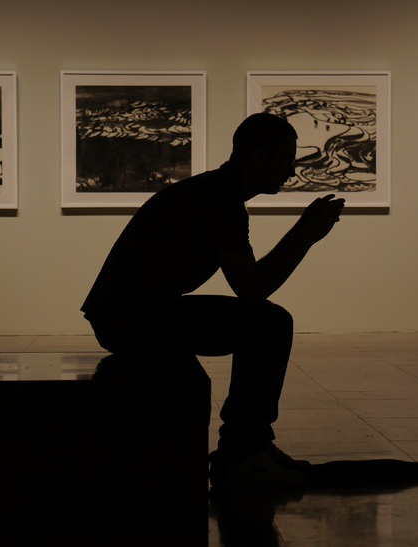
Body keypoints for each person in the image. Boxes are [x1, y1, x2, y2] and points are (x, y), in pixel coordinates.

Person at [81, 113, 345, 487]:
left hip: (131, 315)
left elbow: (249, 286)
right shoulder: (220, 200)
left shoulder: (215, 192)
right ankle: (244, 453)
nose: (291, 170)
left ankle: (248, 446)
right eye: (286, 159)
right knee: (269, 323)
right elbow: (252, 289)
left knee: (267, 321)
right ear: (259, 156)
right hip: (131, 322)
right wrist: (305, 234)